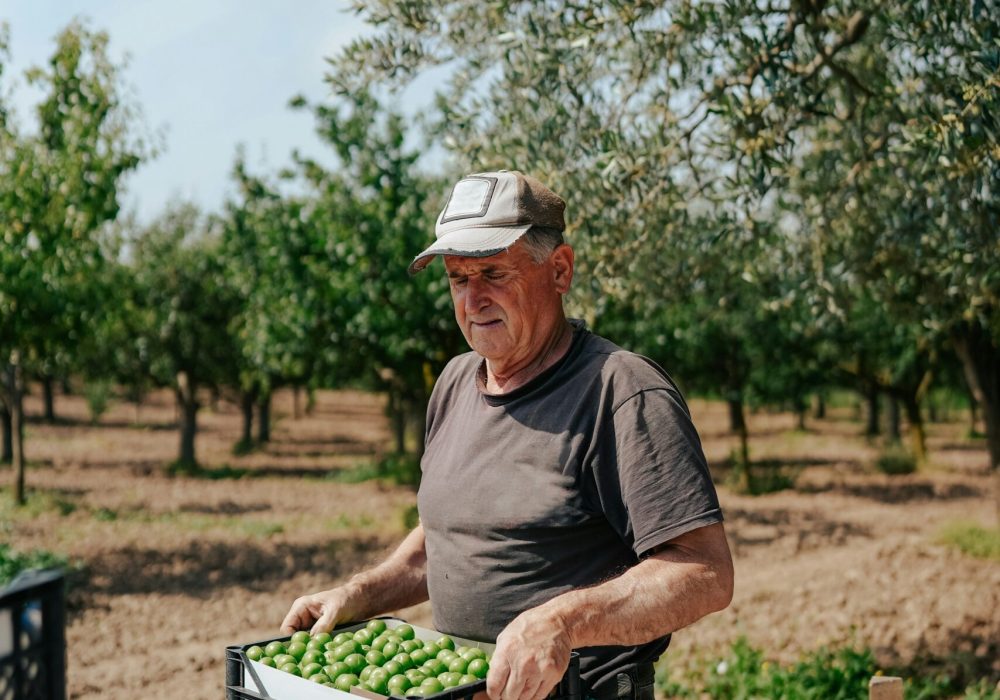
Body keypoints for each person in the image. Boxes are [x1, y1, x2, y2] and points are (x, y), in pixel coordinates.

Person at [282, 170, 734, 700]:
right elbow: (444, 546)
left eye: (493, 273)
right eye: (458, 279)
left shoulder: (620, 391)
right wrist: (358, 594)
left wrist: (564, 622)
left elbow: (705, 572)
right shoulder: (453, 382)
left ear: (559, 270)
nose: (473, 301)